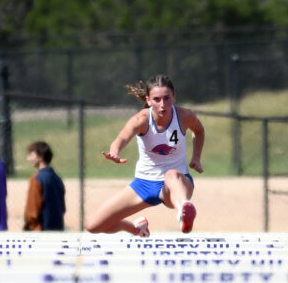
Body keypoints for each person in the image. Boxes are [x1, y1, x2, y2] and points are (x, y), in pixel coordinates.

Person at [86, 74, 204, 236]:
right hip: (144, 184)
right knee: (93, 226)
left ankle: (184, 211)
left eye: (167, 98)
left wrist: (196, 157)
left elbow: (198, 130)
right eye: (157, 100)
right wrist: (115, 152)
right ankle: (136, 229)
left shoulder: (184, 116)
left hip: (175, 185)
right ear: (148, 100)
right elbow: (121, 137)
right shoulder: (141, 120)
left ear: (174, 97)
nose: (163, 105)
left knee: (171, 174)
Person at [24, 141, 66, 231]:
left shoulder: (36, 179)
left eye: (31, 155)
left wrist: (31, 229)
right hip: (58, 231)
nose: (28, 158)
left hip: (41, 234)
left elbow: (32, 213)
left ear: (41, 157)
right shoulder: (57, 178)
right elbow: (62, 208)